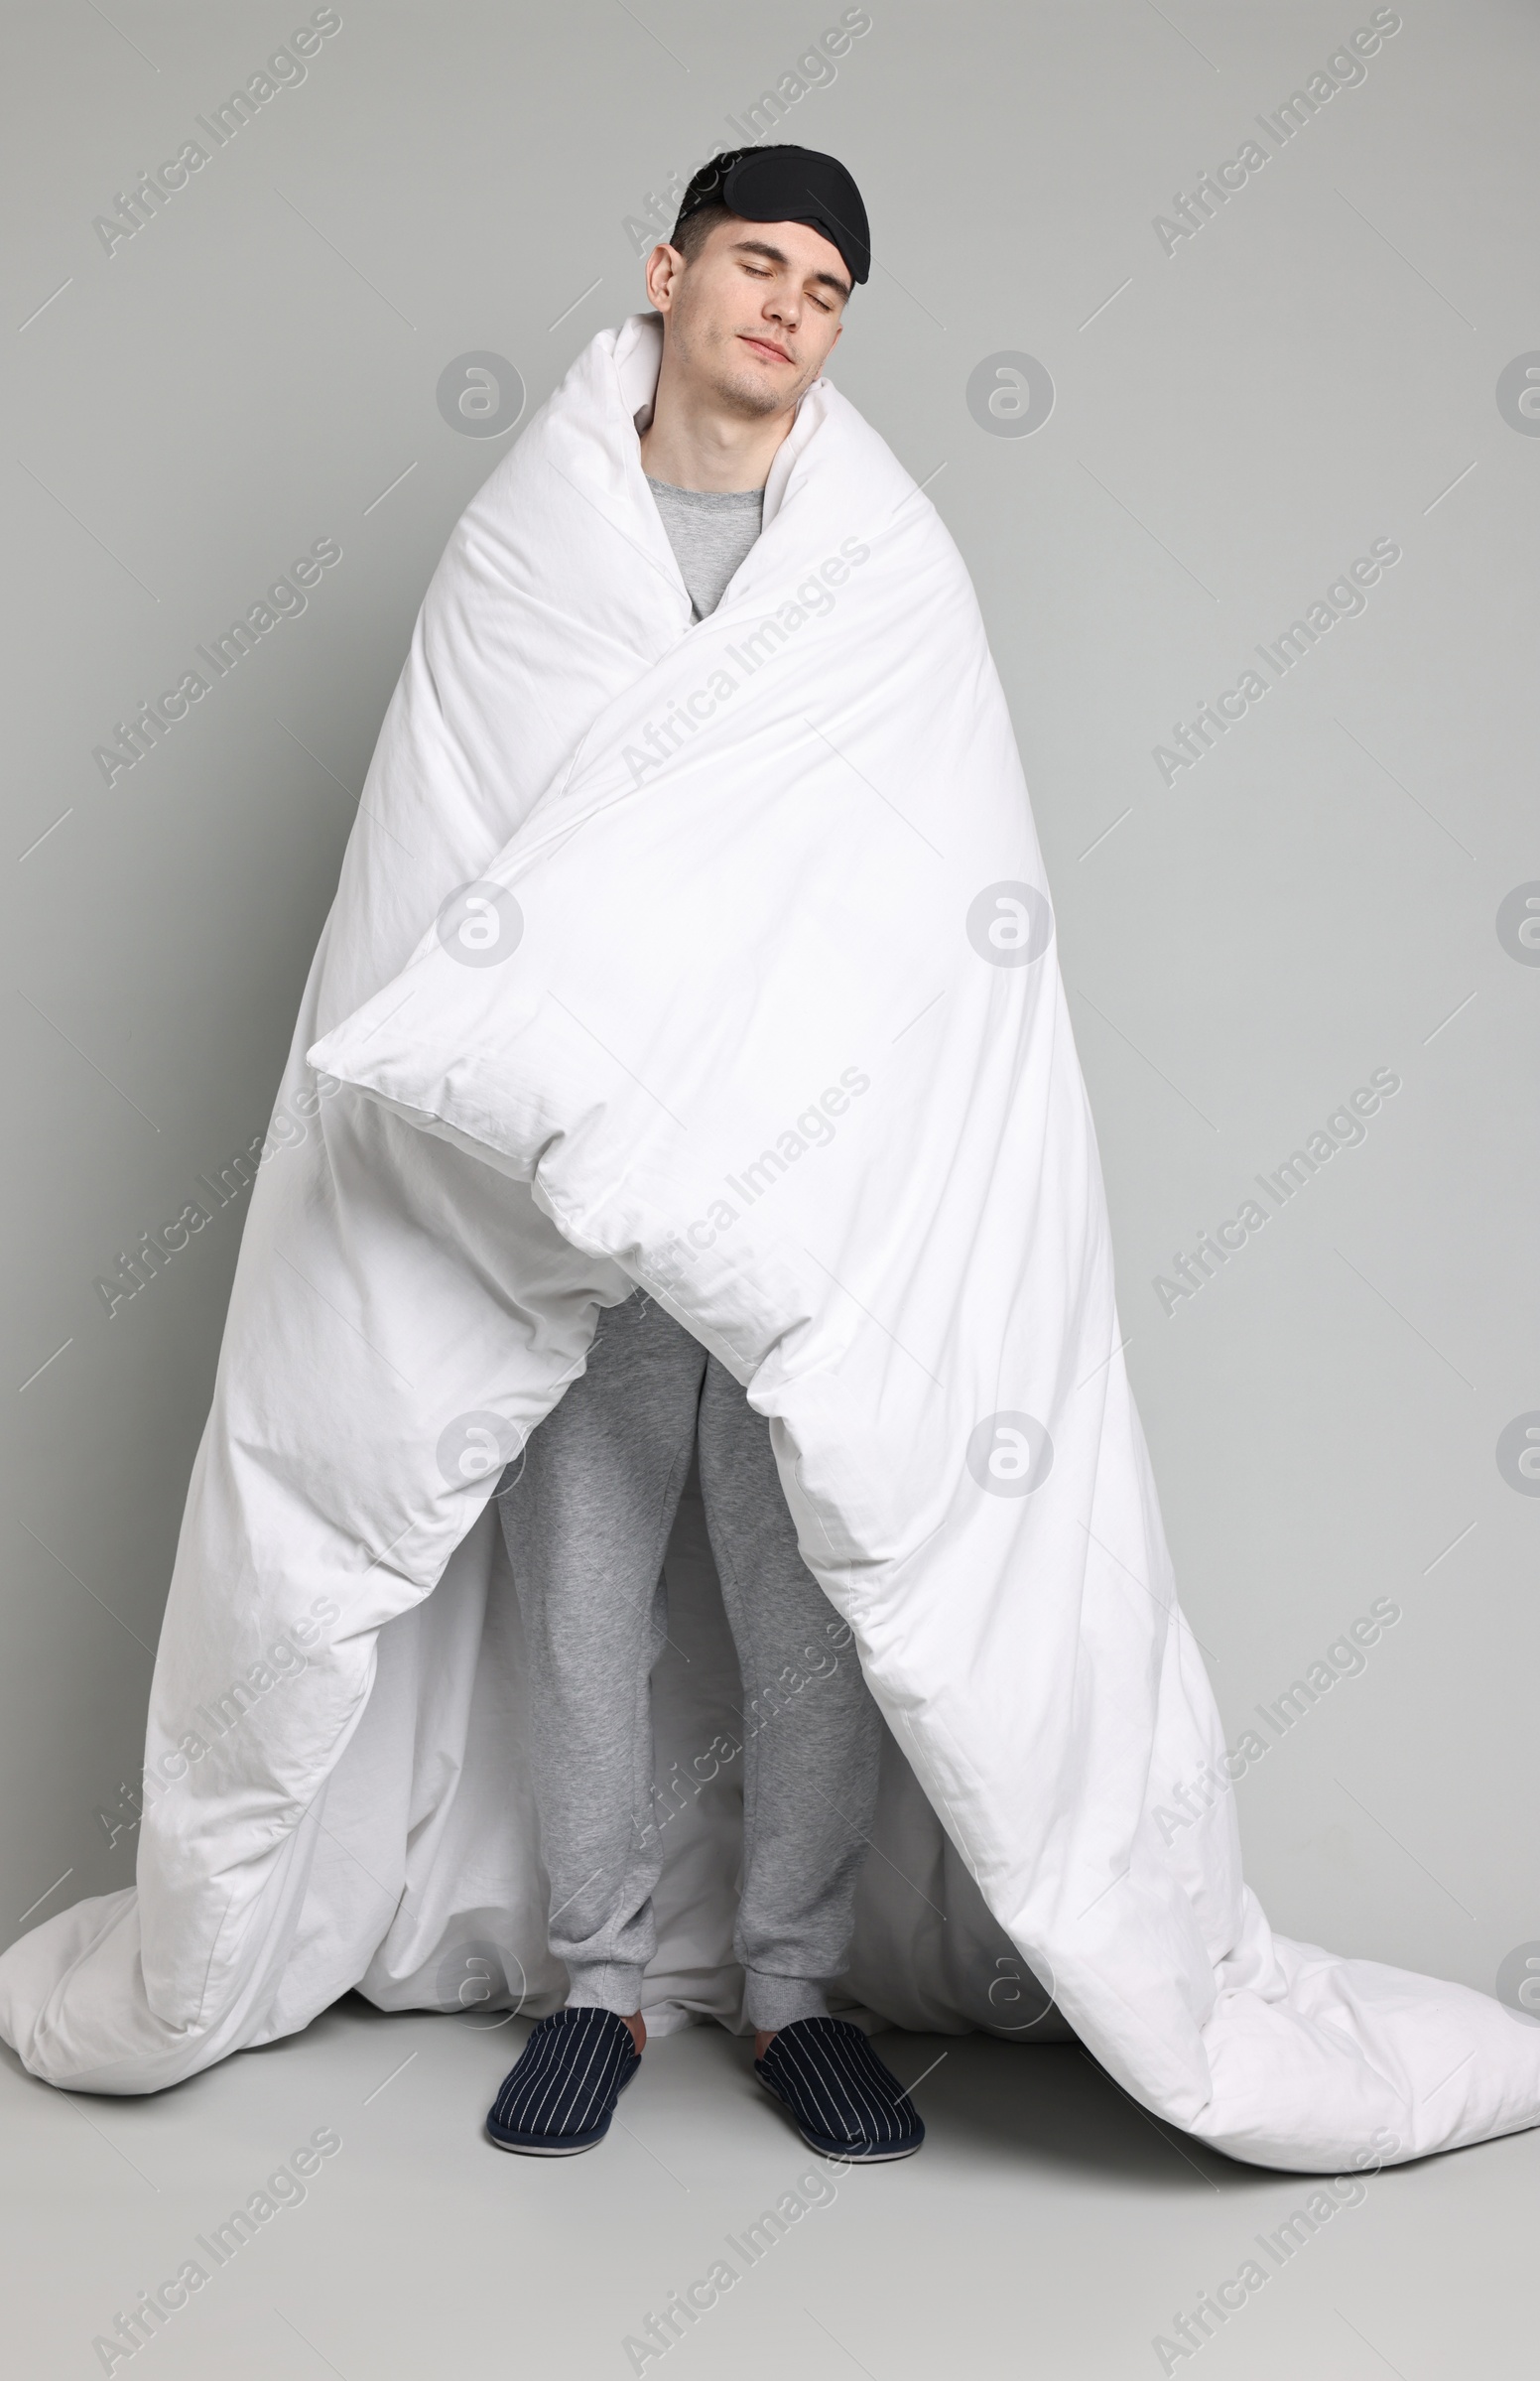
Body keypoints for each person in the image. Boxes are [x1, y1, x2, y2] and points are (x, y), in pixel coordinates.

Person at [482, 146, 925, 2165]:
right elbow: (465, 815)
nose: (787, 309)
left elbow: (924, 847)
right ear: (665, 272)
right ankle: (598, 1983)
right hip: (585, 1143)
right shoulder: (531, 539)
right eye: (759, 264)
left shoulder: (876, 556)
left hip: (791, 1139)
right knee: (577, 1559)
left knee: (803, 1568)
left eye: (826, 290)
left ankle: (792, 1988)